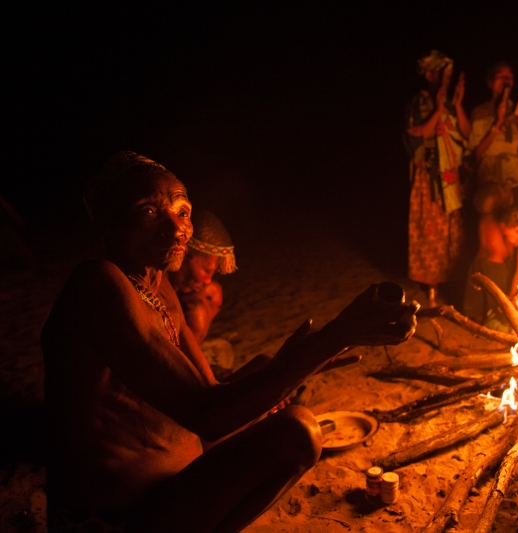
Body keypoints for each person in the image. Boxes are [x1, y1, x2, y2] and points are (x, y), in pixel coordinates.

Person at [41, 152, 418, 533]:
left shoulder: (158, 285)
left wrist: (306, 357)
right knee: (299, 427)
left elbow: (211, 396)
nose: (176, 229)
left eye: (182, 211)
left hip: (175, 490)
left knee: (289, 427)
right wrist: (336, 336)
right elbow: (206, 413)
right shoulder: (99, 283)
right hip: (112, 518)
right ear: (109, 223)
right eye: (150, 212)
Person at [405, 50, 469, 307]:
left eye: (449, 75)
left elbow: (465, 134)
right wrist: (439, 109)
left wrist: (457, 104)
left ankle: (448, 281)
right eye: (443, 74)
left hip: (450, 175)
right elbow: (416, 134)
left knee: (450, 229)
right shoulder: (418, 103)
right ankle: (430, 283)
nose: (447, 79)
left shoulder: (452, 102)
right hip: (428, 175)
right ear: (430, 74)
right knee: (429, 226)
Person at [169, 210, 236, 345]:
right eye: (206, 270)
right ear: (184, 253)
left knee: (213, 293)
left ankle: (194, 348)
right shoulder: (158, 281)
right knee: (198, 313)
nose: (208, 279)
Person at [468, 62, 518, 195]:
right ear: (490, 83)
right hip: (489, 179)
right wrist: (498, 123)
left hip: (515, 179)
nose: (506, 79)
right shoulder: (480, 112)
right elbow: (478, 152)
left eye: (509, 77)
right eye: (501, 76)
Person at [462, 182, 514, 323]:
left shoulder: (483, 217)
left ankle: (479, 322)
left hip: (478, 261)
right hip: (495, 264)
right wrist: (510, 257)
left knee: (479, 298)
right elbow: (508, 242)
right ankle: (489, 324)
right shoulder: (500, 217)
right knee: (495, 299)